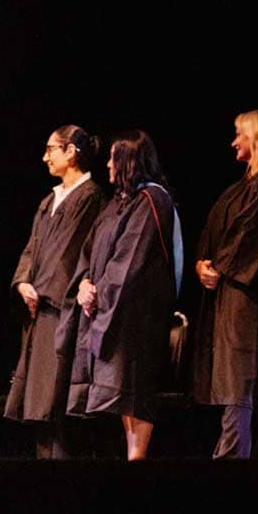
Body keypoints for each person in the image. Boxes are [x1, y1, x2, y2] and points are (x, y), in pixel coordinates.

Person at [63, 130, 182, 461]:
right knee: (119, 391)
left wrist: (100, 294)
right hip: (109, 308)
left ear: (129, 161)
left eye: (114, 157)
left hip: (136, 317)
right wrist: (85, 284)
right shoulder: (116, 204)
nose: (108, 165)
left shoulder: (151, 200)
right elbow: (89, 251)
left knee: (133, 389)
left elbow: (130, 260)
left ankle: (137, 459)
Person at [192, 110, 258, 459]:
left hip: (248, 293)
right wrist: (203, 262)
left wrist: (221, 267)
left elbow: (253, 232)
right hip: (226, 291)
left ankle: (230, 457)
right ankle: (231, 451)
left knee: (240, 377)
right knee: (227, 376)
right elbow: (213, 230)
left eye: (240, 134)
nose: (234, 142)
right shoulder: (238, 187)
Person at [4, 125, 105, 458]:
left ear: (71, 152)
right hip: (39, 309)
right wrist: (23, 283)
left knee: (55, 407)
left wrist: (42, 291)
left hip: (61, 312)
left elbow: (70, 251)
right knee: (37, 409)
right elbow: (32, 249)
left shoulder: (89, 197)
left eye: (51, 149)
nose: (45, 156)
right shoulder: (50, 199)